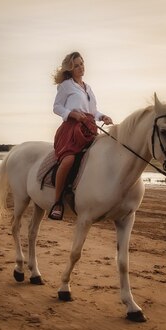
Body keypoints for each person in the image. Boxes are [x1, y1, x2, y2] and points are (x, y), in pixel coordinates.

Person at [48, 51, 113, 220]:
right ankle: (57, 202)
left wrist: (102, 117)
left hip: (89, 128)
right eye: (76, 65)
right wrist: (72, 114)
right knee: (69, 160)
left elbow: (93, 111)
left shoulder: (88, 87)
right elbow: (57, 107)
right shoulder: (66, 85)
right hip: (71, 130)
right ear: (70, 69)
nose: (80, 67)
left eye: (82, 64)